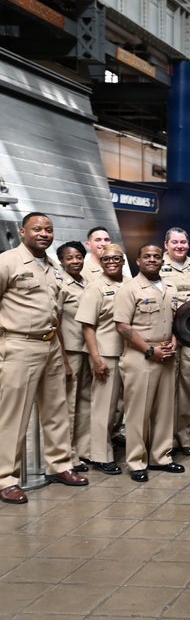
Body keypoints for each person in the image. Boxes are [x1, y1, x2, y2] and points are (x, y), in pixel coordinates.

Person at [0, 213, 89, 505]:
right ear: (22, 232)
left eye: (48, 230)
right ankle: (5, 478)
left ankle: (59, 465)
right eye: (37, 229)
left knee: (56, 409)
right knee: (14, 416)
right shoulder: (7, 262)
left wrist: (61, 353)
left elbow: (56, 313)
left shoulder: (53, 266)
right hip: (19, 345)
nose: (43, 234)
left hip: (51, 344)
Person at [113, 243, 183, 483]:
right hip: (141, 355)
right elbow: (122, 326)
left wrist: (174, 342)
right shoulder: (129, 289)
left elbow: (175, 320)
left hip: (166, 353)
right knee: (138, 412)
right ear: (138, 261)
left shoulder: (171, 287)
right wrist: (149, 350)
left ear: (163, 260)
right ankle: (136, 461)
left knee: (165, 410)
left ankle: (161, 457)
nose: (152, 259)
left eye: (156, 256)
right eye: (147, 256)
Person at [76, 243, 126, 475]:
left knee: (119, 408)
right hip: (106, 353)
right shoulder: (95, 288)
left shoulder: (129, 284)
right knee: (103, 407)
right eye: (106, 259)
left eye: (116, 258)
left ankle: (111, 441)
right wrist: (96, 359)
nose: (112, 262)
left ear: (123, 261)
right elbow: (88, 326)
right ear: (100, 262)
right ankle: (100, 455)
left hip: (129, 352)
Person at [159, 227, 190, 455]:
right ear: (166, 244)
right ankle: (165, 439)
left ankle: (186, 437)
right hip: (164, 330)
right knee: (166, 385)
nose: (180, 246)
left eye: (183, 242)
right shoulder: (158, 264)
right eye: (175, 242)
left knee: (189, 384)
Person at [57, 241, 91, 472]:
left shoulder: (86, 283)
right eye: (69, 258)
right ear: (62, 261)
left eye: (78, 257)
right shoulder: (60, 285)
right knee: (68, 404)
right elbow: (56, 322)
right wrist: (64, 360)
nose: (75, 261)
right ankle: (67, 454)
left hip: (88, 349)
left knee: (86, 401)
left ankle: (83, 448)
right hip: (70, 350)